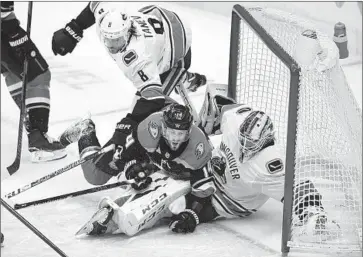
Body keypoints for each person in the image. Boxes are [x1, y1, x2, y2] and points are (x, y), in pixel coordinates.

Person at [168, 83, 339, 237]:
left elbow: (298, 189)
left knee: (179, 208)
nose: (244, 149)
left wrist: (314, 214)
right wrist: (207, 123)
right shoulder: (237, 119)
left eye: (251, 145)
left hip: (230, 201)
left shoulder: (270, 164)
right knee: (174, 159)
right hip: (212, 169)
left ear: (264, 141)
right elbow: (218, 100)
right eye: (244, 142)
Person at [60, 103, 215, 236]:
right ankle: (85, 131)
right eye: (171, 132)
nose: (175, 138)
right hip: (132, 131)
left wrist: (192, 213)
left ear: (189, 132)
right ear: (163, 128)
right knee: (94, 176)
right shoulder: (151, 128)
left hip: (158, 158)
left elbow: (202, 188)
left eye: (180, 134)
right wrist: (131, 169)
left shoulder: (198, 148)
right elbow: (126, 156)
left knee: (154, 185)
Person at [51, 2, 207, 121]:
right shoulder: (107, 21)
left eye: (117, 41)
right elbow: (96, 4)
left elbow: (153, 97)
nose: (112, 47)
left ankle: (180, 74)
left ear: (127, 33)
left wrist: (127, 126)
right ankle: (187, 80)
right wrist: (74, 29)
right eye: (108, 40)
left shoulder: (138, 56)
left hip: (177, 47)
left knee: (149, 112)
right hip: (157, 18)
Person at [1, 1, 66, 162]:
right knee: (38, 76)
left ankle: (35, 132)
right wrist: (10, 26)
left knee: (13, 73)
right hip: (5, 26)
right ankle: (39, 142)